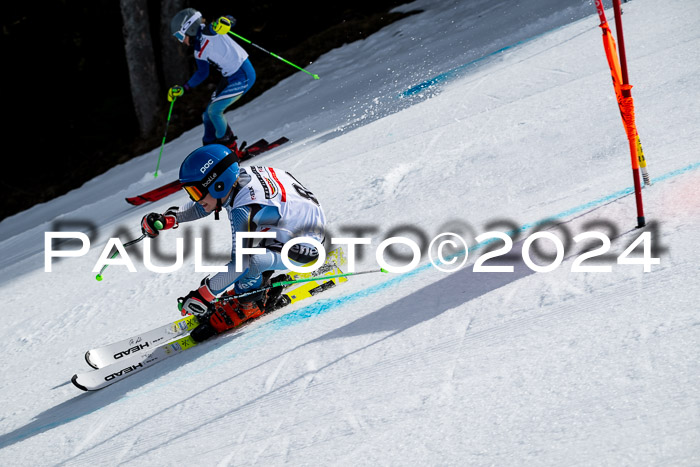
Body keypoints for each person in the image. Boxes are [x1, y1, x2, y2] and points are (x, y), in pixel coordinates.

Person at [140, 144, 326, 341]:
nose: (195, 199)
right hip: (291, 228)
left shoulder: (243, 209)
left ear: (218, 185)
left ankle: (249, 303)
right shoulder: (238, 179)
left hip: (307, 249)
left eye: (195, 192)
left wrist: (204, 295)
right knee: (249, 253)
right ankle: (252, 284)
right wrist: (172, 218)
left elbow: (241, 263)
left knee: (251, 260)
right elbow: (206, 204)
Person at [168, 8, 256, 159]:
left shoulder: (209, 31)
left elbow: (227, 19)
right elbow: (202, 73)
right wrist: (184, 88)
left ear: (190, 28)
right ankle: (210, 151)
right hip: (229, 78)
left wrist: (227, 21)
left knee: (215, 111)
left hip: (243, 74)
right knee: (207, 115)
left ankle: (232, 151)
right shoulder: (198, 50)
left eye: (179, 35)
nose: (180, 40)